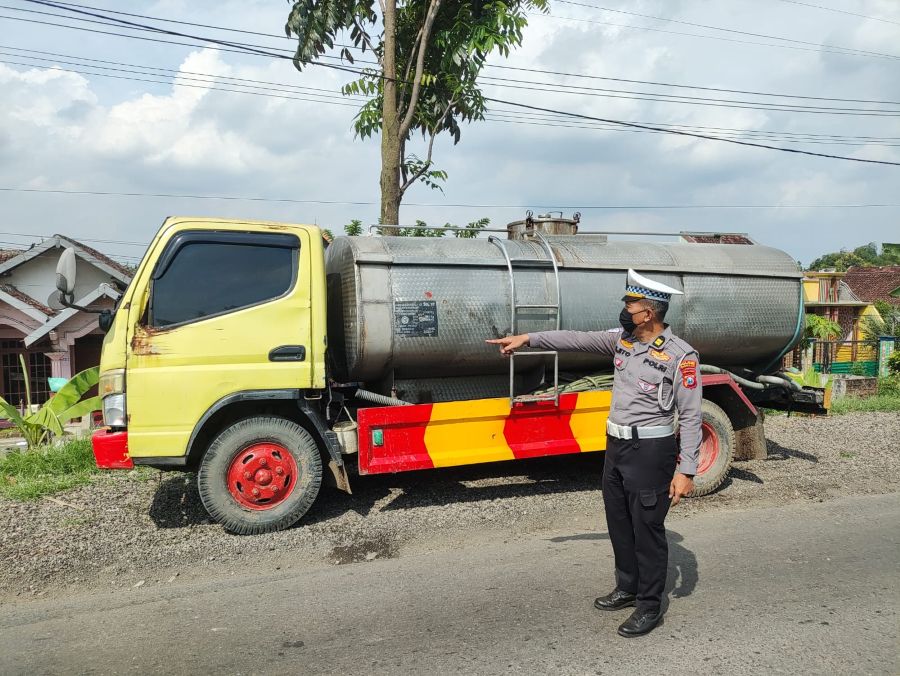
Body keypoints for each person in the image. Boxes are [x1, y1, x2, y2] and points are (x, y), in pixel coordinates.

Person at [486, 269, 702, 638]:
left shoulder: (680, 356)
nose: (624, 310)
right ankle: (628, 587)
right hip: (616, 447)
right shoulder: (622, 340)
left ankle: (649, 605)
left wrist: (687, 470)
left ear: (648, 313)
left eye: (629, 304)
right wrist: (528, 338)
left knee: (647, 529)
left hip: (651, 451)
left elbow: (693, 414)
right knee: (619, 522)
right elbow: (575, 339)